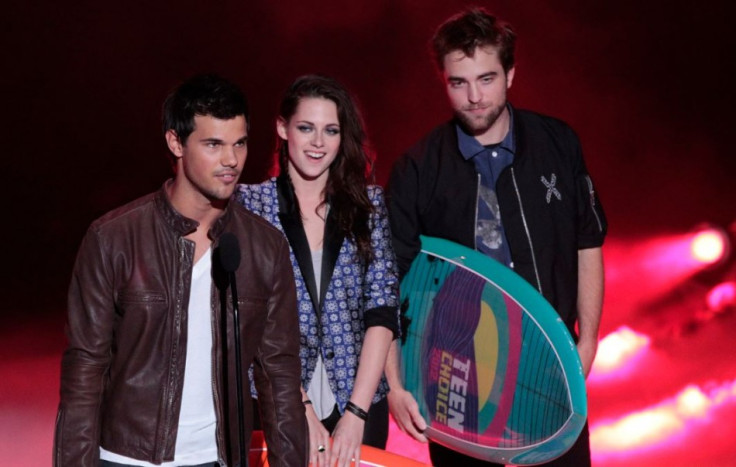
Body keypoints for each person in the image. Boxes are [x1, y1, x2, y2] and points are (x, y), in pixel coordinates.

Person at [385, 8, 607, 467]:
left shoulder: (558, 142)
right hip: (456, 383)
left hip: (548, 373)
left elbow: (588, 241)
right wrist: (397, 385)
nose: (473, 97)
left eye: (486, 79)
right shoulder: (417, 170)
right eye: (458, 83)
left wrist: (586, 344)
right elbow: (389, 286)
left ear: (510, 73)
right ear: (443, 81)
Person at [54, 74, 307, 467]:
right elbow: (85, 369)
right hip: (124, 457)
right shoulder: (114, 238)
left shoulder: (264, 248)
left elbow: (280, 377)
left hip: (217, 458)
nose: (231, 160)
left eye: (239, 143)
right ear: (175, 142)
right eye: (213, 145)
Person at [235, 74, 400, 467]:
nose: (318, 143)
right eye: (306, 128)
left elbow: (382, 311)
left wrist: (357, 414)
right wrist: (298, 406)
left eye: (331, 130)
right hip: (275, 398)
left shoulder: (369, 206)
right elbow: (252, 317)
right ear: (282, 128)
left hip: (359, 404)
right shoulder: (250, 205)